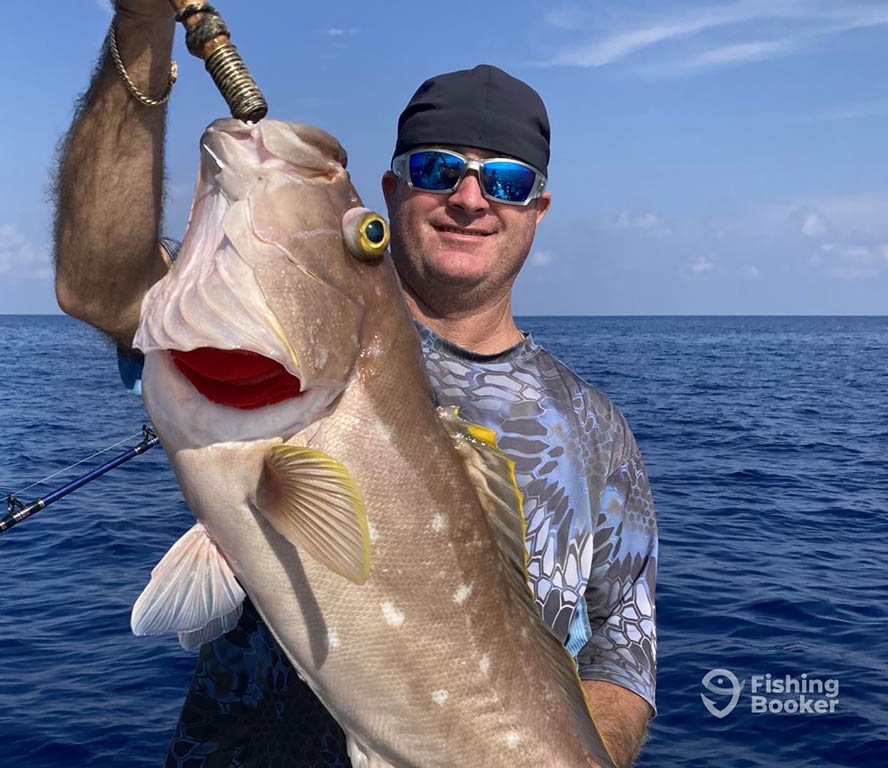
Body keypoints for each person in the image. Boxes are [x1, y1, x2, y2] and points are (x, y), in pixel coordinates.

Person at [53, 5, 658, 767]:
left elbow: (621, 653)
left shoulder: (599, 428)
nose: (470, 199)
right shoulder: (239, 329)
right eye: (438, 170)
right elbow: (98, 282)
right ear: (391, 189)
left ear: (537, 208)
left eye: (506, 180)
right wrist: (142, 31)